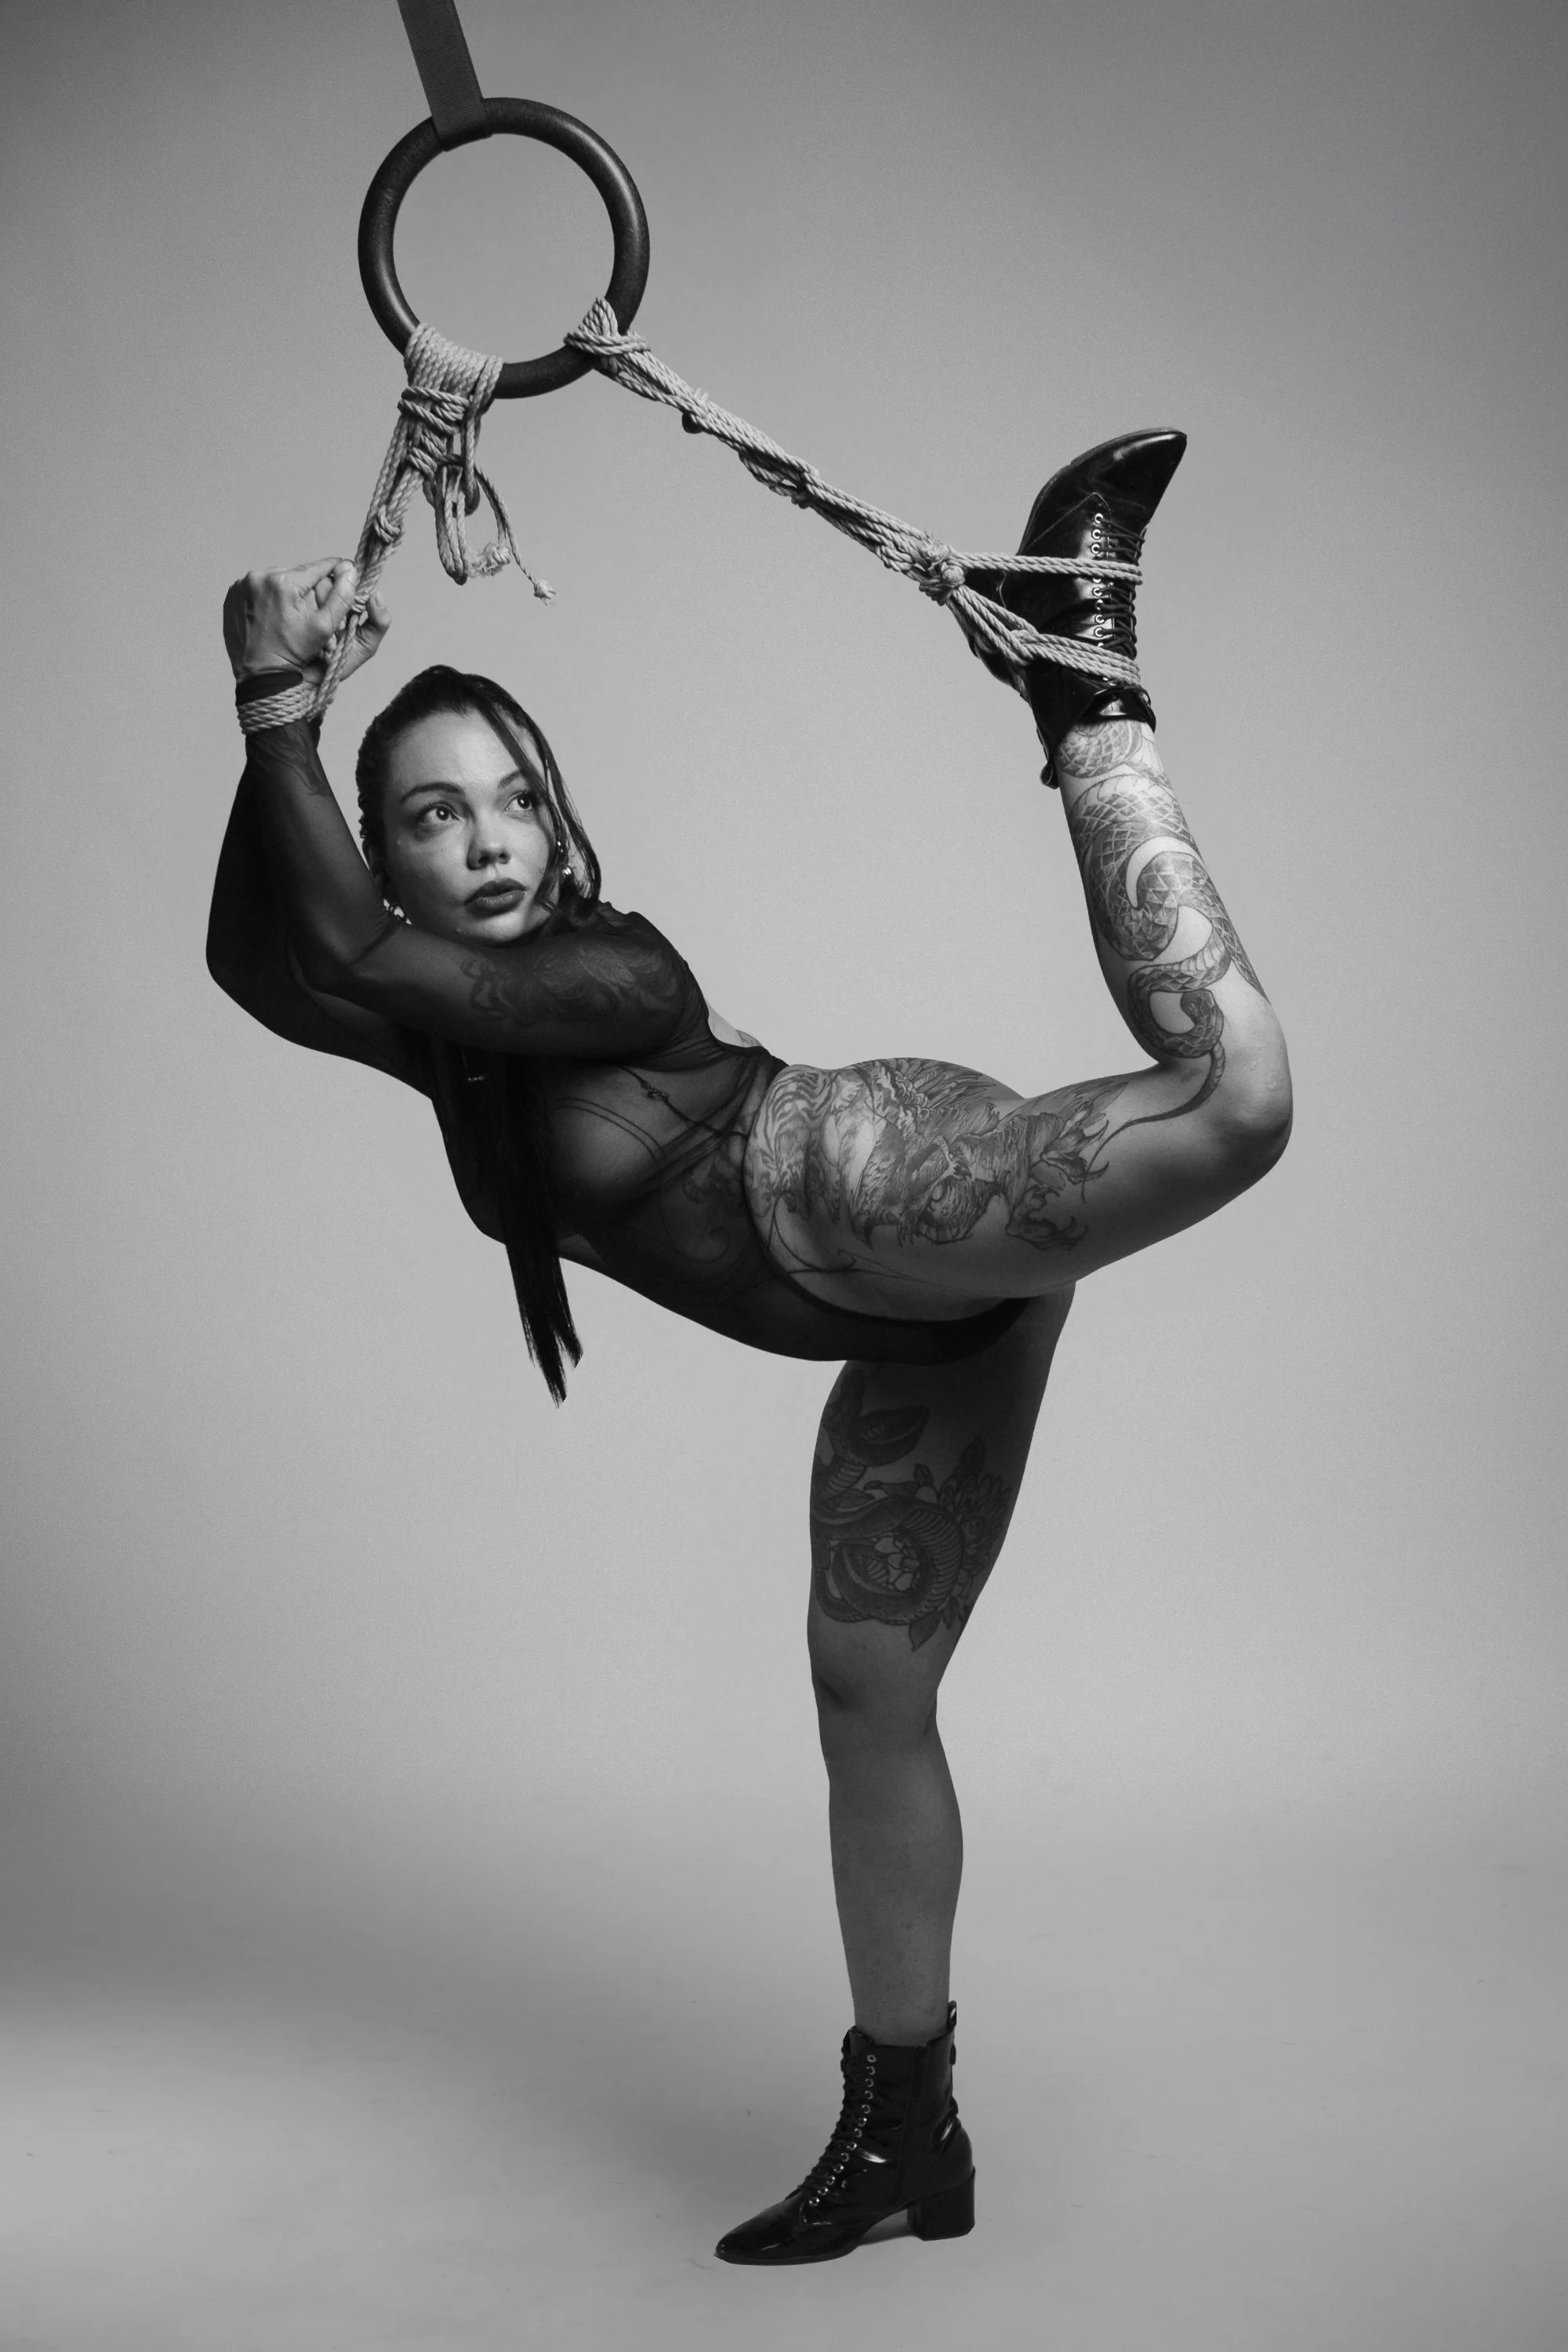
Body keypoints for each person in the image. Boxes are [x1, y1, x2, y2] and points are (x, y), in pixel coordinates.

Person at [209, 430, 1291, 2265]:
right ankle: (908, 2137)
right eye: (428, 814)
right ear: (386, 849)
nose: (481, 842)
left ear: (561, 827)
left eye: (508, 804)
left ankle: (1083, 685)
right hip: (923, 1330)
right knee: (867, 1695)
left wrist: (276, 715)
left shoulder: (604, 971)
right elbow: (264, 960)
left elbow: (341, 949)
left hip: (862, 1174)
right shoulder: (445, 1029)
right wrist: (284, 743)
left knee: (1238, 1099)